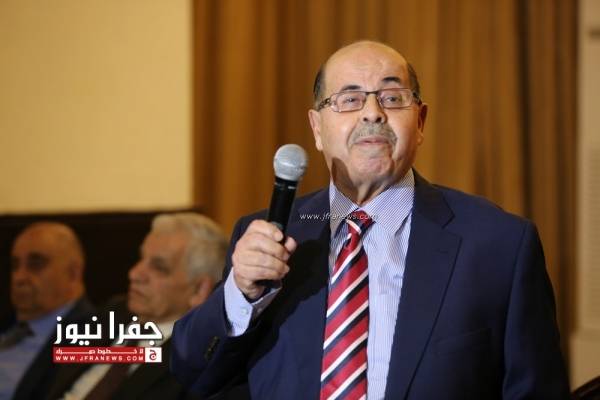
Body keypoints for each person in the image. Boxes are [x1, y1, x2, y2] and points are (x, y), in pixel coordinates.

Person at [170, 40, 570, 399]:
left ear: (420, 122)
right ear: (317, 128)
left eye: (393, 98)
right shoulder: (269, 238)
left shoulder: (498, 245)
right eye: (349, 99)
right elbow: (195, 375)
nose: (373, 113)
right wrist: (240, 293)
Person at [46, 212, 228, 400]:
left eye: (159, 267)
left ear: (199, 290)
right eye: (141, 258)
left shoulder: (199, 363)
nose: (134, 274)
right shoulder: (113, 312)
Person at [0, 222, 95, 400]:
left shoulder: (93, 339)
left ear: (73, 273)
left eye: (36, 265)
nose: (19, 277)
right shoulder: (8, 325)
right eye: (15, 265)